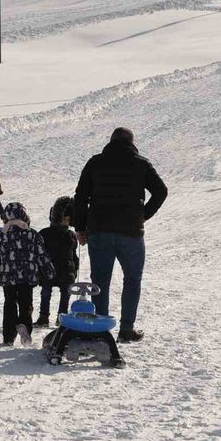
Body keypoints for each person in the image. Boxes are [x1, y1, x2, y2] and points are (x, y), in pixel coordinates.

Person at [72, 127, 168, 343]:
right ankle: (126, 329)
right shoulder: (141, 164)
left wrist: (80, 227)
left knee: (100, 281)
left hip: (99, 229)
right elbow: (161, 191)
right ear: (131, 143)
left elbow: (80, 196)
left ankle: (100, 330)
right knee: (132, 279)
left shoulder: (95, 162)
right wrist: (143, 215)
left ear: (111, 141)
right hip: (131, 231)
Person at [0, 202, 56, 345]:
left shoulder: (1, 236)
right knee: (26, 303)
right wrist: (49, 271)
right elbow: (42, 255)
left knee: (9, 303)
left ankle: (8, 337)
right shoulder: (33, 235)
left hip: (7, 277)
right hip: (27, 277)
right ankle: (24, 326)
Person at [37, 196, 79, 327]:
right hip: (49, 271)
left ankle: (62, 317)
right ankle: (43, 317)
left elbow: (74, 254)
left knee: (65, 294)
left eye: (68, 219)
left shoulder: (71, 235)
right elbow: (39, 254)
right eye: (64, 219)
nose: (66, 222)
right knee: (45, 293)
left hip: (66, 271)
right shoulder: (45, 234)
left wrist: (75, 268)